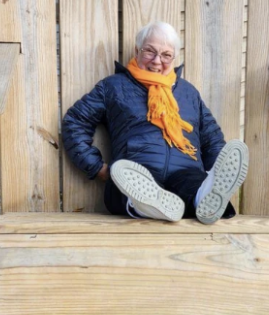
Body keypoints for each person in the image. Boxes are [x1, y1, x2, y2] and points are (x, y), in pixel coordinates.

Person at [61, 21, 248, 223]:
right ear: (137, 51)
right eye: (150, 51)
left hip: (186, 171)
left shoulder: (188, 92)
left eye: (166, 55)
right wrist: (97, 167)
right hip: (136, 172)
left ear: (174, 58)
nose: (157, 61)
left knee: (194, 186)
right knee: (129, 189)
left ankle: (206, 195)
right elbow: (75, 122)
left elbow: (211, 138)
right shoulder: (113, 87)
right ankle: (145, 205)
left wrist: (214, 171)